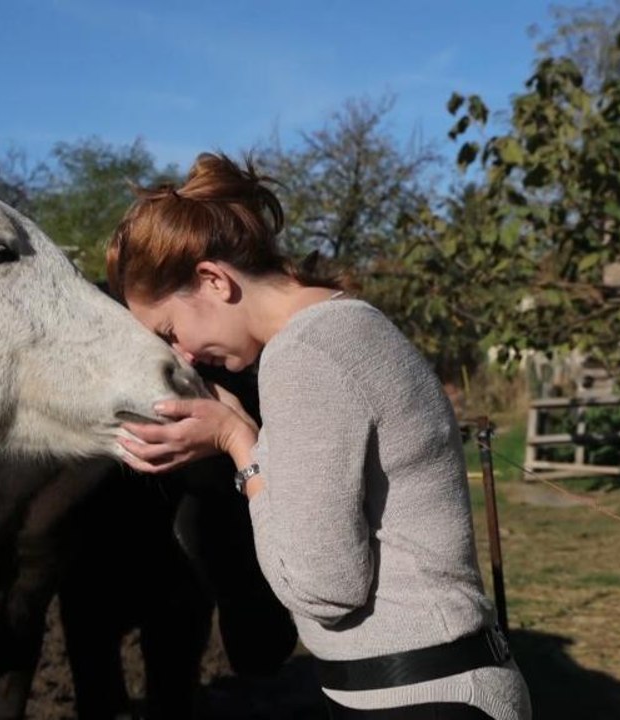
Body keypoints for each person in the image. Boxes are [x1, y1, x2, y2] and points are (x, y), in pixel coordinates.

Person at [107, 152, 532, 720]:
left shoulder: (304, 353)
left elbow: (322, 588)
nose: (182, 353)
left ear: (212, 280)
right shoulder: (345, 326)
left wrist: (240, 444)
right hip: (427, 688)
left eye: (170, 330)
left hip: (423, 697)